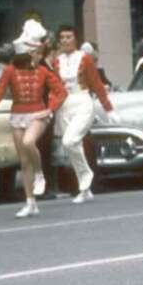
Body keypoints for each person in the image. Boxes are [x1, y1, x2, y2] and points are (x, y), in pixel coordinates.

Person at [0, 20, 67, 217]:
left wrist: (50, 109)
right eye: (33, 54)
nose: (37, 57)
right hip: (18, 115)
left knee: (30, 142)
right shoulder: (10, 71)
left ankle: (40, 174)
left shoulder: (44, 71)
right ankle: (31, 202)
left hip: (38, 113)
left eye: (38, 54)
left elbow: (61, 92)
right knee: (23, 161)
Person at [52, 25, 118, 203]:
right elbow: (54, 88)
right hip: (65, 105)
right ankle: (85, 189)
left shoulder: (85, 58)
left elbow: (97, 84)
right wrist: (50, 109)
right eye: (62, 37)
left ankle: (86, 175)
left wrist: (108, 108)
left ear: (75, 39)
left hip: (82, 101)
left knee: (70, 140)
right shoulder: (56, 61)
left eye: (69, 37)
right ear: (59, 41)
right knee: (73, 147)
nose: (65, 40)